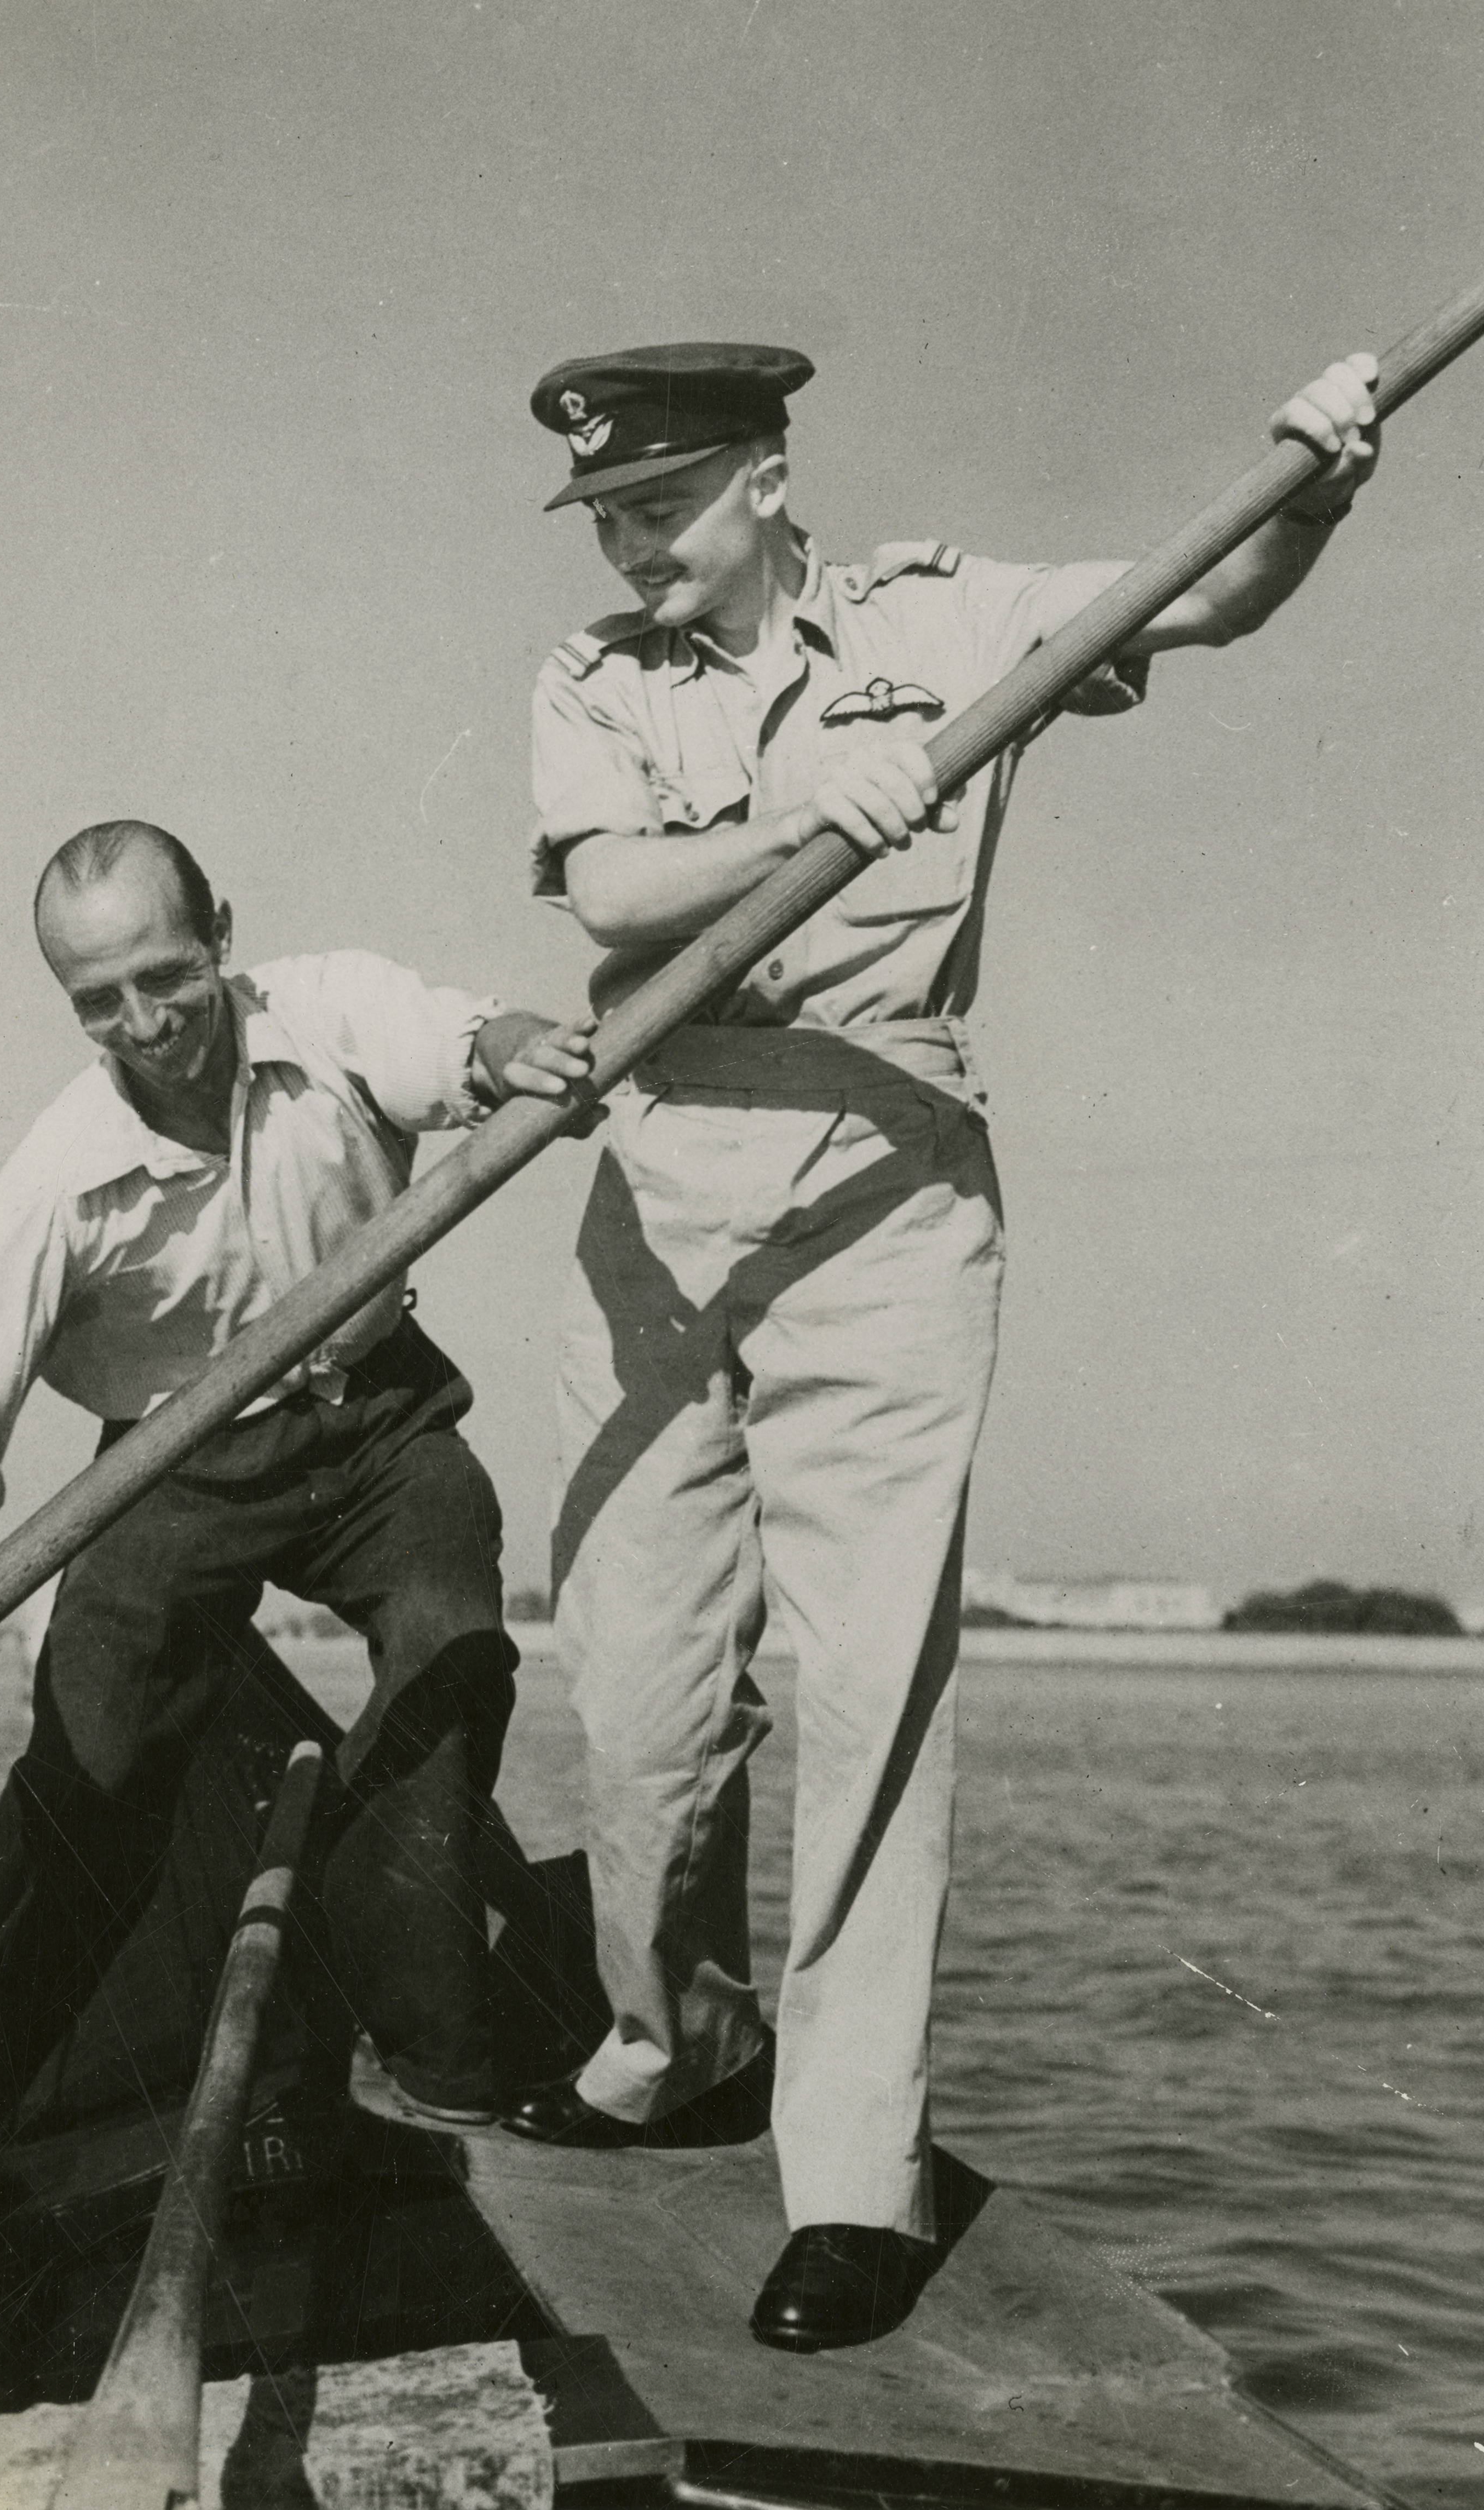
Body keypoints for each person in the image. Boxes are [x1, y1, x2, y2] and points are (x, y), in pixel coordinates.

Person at [505, 340, 1379, 2350]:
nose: (630, 549)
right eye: (607, 518)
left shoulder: (943, 615)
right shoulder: (593, 680)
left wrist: (1314, 475)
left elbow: (1199, 587)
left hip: (888, 1173)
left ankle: (852, 2182)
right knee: (638, 1692)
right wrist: (798, 806)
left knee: (867, 1690)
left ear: (767, 475)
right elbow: (615, 896)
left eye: (660, 507)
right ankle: (675, 2039)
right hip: (656, 1172)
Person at [0, 818, 594, 2179]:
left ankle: (430, 2034)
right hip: (172, 1462)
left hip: (377, 1422)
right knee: (94, 1753)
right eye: (100, 1002)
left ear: (225, 937)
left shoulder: (326, 1009)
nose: (144, 1023)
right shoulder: (60, 1175)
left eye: (167, 977)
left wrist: (517, 1051)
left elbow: (461, 1043)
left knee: (452, 1647)